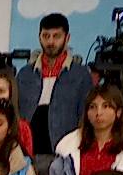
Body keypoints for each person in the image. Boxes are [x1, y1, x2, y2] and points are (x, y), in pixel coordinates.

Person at [17, 12, 95, 154]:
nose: (51, 42)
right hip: (26, 152)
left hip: (65, 151)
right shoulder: (25, 74)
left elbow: (85, 117)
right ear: (39, 37)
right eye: (46, 36)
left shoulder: (81, 75)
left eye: (56, 36)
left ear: (67, 38)